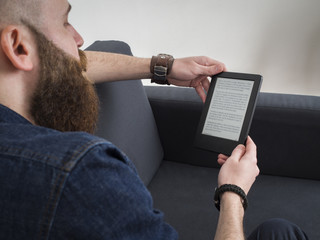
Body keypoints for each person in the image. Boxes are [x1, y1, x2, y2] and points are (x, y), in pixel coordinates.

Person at [0, 0, 308, 239]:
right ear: (17, 46)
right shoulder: (80, 172)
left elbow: (67, 63)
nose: (80, 39)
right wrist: (233, 192)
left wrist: (163, 67)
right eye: (66, 22)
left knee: (277, 230)